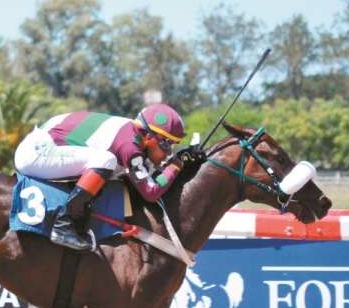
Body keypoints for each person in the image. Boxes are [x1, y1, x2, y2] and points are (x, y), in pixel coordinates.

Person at [14, 104, 205, 252]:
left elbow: (153, 174)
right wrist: (177, 164)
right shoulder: (129, 145)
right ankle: (64, 225)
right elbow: (151, 192)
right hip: (35, 152)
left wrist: (179, 161)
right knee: (107, 160)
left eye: (173, 145)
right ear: (148, 138)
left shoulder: (134, 135)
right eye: (166, 144)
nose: (169, 152)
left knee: (109, 164)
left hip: (45, 146)